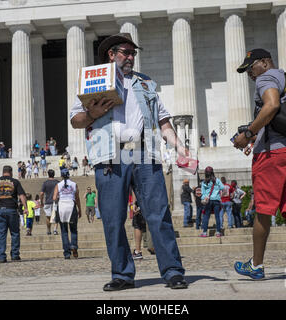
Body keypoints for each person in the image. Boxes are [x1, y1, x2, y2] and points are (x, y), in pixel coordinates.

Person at [70, 33, 189, 291]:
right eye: (125, 52)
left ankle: (172, 271)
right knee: (113, 218)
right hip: (110, 156)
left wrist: (180, 147)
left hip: (144, 153)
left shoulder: (146, 84)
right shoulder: (94, 82)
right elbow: (75, 121)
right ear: (111, 55)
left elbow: (163, 120)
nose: (131, 57)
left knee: (158, 213)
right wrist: (94, 113)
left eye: (133, 52)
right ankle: (122, 274)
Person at [233, 48, 286, 282]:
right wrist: (254, 137)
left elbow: (270, 106)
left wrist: (248, 132)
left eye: (250, 68)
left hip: (273, 156)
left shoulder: (266, 77)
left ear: (264, 62)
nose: (250, 74)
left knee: (263, 209)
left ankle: (257, 265)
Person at [0, 165, 27, 263]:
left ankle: (1, 256)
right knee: (15, 233)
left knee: (0, 234)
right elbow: (22, 195)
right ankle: (15, 255)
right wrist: (25, 207)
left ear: (3, 172)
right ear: (11, 172)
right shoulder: (15, 182)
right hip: (12, 210)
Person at [52, 168, 81, 259]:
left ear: (61, 176)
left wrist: (58, 197)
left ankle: (67, 253)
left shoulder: (58, 185)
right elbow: (77, 198)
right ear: (69, 175)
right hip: (71, 206)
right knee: (73, 229)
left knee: (64, 231)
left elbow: (54, 198)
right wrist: (79, 209)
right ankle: (74, 246)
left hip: (62, 207)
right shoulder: (74, 184)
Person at [199, 167, 225, 238]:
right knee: (217, 216)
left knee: (206, 216)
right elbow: (223, 188)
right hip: (216, 200)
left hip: (208, 200)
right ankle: (218, 232)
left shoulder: (204, 182)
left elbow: (203, 193)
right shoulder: (217, 180)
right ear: (213, 172)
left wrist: (205, 198)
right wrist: (220, 195)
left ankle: (204, 232)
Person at [39, 169, 60, 235]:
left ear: (48, 174)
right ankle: (55, 230)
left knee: (48, 216)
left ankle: (48, 230)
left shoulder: (45, 183)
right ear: (54, 174)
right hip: (56, 201)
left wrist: (41, 202)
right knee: (56, 216)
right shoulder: (57, 182)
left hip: (47, 201)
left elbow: (41, 193)